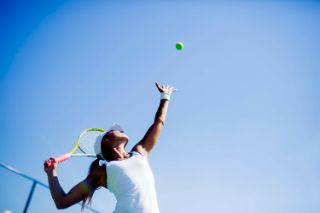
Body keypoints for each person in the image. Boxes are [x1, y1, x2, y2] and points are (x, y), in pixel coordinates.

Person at [43, 82, 176, 213]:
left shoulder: (139, 152)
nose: (121, 130)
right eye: (114, 130)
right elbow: (61, 202)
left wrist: (165, 97)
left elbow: (159, 122)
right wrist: (51, 173)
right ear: (107, 140)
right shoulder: (102, 171)